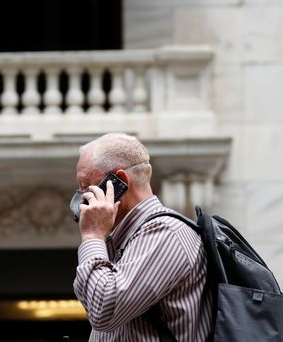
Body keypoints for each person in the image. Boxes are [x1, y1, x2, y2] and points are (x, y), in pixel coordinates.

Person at [72, 133, 213, 341]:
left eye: (86, 186)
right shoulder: (125, 239)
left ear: (119, 182)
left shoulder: (165, 233)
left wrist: (92, 235)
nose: (80, 198)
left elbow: (104, 309)